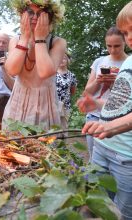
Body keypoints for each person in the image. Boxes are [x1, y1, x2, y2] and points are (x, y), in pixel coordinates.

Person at [79, 2, 132, 219]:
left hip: (126, 158)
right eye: (126, 31)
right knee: (93, 205)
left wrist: (110, 126)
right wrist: (98, 105)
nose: (129, 37)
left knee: (120, 214)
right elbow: (122, 103)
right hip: (102, 146)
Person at [2, 0, 66, 131]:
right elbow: (12, 70)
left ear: (50, 19)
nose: (35, 17)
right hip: (17, 104)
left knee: (40, 149)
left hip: (44, 106)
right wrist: (25, 38)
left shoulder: (58, 42)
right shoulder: (15, 40)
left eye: (41, 14)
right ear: (22, 15)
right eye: (30, 13)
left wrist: (40, 39)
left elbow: (44, 72)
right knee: (10, 147)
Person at [82, 26, 127, 160]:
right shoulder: (99, 62)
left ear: (125, 41)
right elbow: (87, 93)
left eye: (117, 46)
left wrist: (115, 83)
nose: (113, 50)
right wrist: (98, 81)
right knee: (94, 156)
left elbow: (126, 99)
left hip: (119, 119)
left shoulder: (128, 63)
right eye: (109, 46)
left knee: (117, 156)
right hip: (95, 115)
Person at [56, 52, 77, 132]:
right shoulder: (51, 73)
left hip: (65, 105)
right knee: (51, 126)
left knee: (64, 127)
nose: (61, 60)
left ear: (68, 60)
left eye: (64, 58)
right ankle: (50, 143)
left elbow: (73, 91)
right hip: (52, 104)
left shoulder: (72, 75)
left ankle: (63, 143)